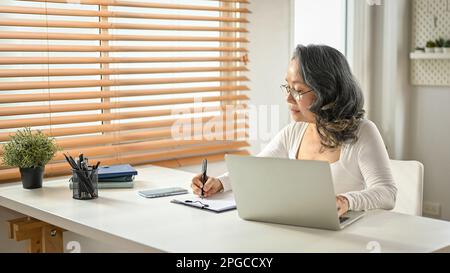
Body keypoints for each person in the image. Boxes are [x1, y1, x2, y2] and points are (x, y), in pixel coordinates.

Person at [191, 44, 397, 216]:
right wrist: (218, 182)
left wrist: (346, 201)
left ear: (327, 91)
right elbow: (255, 169)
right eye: (288, 88)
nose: (288, 98)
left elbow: (387, 193)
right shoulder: (294, 132)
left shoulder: (363, 132)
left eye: (298, 91)